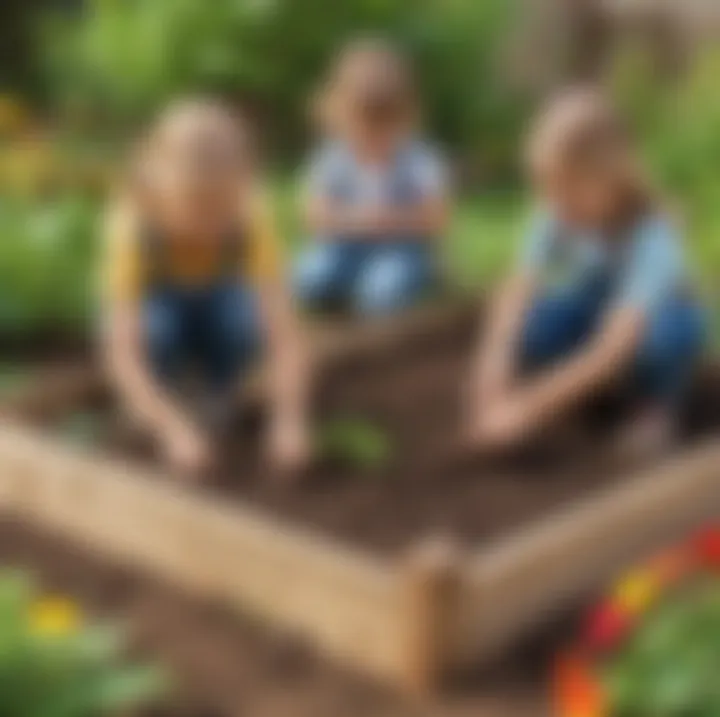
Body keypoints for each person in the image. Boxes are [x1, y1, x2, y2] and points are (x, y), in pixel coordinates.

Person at [468, 88, 706, 457]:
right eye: (547, 188)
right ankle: (592, 392)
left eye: (567, 189)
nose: (555, 203)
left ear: (609, 179)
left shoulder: (651, 237)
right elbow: (518, 287)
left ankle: (654, 407)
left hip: (647, 324)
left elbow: (616, 344)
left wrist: (530, 407)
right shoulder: (556, 211)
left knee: (659, 343)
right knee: (537, 324)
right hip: (599, 309)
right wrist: (492, 369)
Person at [100, 100, 310, 477]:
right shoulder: (134, 229)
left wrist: (289, 420)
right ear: (162, 188)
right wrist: (173, 430)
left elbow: (286, 336)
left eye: (222, 212)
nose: (210, 226)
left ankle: (217, 390)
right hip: (162, 305)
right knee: (156, 332)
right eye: (196, 211)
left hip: (218, 296)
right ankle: (158, 403)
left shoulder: (250, 218)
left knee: (242, 323)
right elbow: (123, 352)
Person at [294, 38, 450, 316]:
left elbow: (436, 217)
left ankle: (385, 291)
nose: (372, 140)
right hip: (346, 244)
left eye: (383, 130)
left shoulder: (418, 160)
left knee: (384, 291)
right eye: (361, 129)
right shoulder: (334, 157)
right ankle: (340, 293)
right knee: (310, 278)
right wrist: (356, 220)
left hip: (401, 248)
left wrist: (391, 220)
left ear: (404, 119)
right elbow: (314, 213)